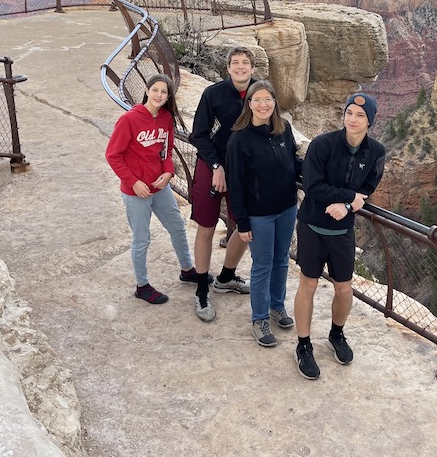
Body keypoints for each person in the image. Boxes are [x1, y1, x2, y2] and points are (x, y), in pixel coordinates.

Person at [293, 92, 385, 379]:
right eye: (349, 113)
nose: (353, 119)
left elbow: (368, 188)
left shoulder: (376, 152)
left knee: (344, 288)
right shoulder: (323, 144)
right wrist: (350, 198)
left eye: (360, 115)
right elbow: (312, 185)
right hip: (311, 226)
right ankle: (304, 345)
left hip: (342, 232)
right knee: (308, 284)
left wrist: (348, 205)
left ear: (370, 121)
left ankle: (336, 334)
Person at [105, 73, 198, 304]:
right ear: (147, 90)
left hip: (159, 187)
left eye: (164, 92)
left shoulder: (166, 118)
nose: (159, 95)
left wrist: (168, 172)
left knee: (177, 226)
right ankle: (142, 286)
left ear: (168, 97)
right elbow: (113, 155)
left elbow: (166, 150)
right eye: (155, 90)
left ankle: (187, 270)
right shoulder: (129, 120)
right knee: (142, 238)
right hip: (135, 191)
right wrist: (133, 182)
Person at [225, 80, 302, 347]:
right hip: (259, 215)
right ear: (249, 104)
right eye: (257, 100)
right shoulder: (240, 140)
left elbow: (294, 164)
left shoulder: (284, 130)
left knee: (282, 260)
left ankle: (276, 306)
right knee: (262, 265)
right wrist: (242, 222)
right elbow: (235, 185)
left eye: (267, 99)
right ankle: (259, 319)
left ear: (274, 104)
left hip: (286, 208)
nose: (263, 105)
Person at [188, 46, 256, 321]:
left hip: (244, 170)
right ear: (228, 68)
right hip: (212, 165)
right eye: (235, 63)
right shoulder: (213, 94)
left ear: (253, 68)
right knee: (206, 226)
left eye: (245, 63)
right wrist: (216, 166)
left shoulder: (260, 94)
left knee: (244, 226)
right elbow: (199, 135)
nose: (240, 67)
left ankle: (226, 277)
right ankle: (202, 288)